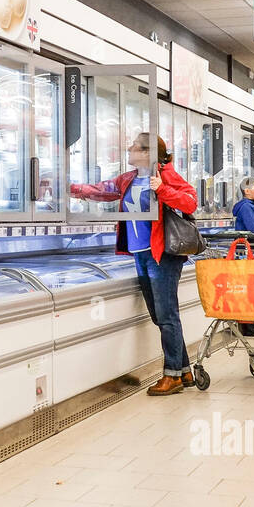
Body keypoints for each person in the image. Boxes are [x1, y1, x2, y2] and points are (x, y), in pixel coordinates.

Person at [71, 132, 199, 396]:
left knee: (166, 316)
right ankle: (184, 370)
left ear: (147, 153)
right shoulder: (128, 178)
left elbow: (190, 201)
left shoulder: (166, 175)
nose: (129, 149)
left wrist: (161, 188)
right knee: (161, 316)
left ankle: (172, 376)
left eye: (134, 147)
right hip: (140, 253)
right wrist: (70, 189)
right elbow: (103, 191)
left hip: (161, 255)